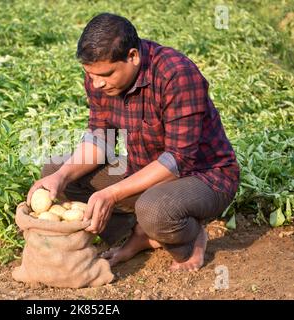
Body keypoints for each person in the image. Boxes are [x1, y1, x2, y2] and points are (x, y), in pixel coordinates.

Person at [26, 13, 239, 271]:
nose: (96, 83)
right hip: (145, 169)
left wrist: (112, 193)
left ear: (132, 57)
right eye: (90, 75)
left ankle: (190, 236)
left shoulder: (176, 74)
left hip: (205, 177)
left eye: (105, 74)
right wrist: (62, 176)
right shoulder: (100, 76)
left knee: (153, 209)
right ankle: (141, 234)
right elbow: (101, 137)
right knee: (56, 172)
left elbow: (178, 160)